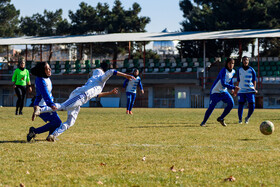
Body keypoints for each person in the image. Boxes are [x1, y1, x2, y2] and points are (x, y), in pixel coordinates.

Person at [32, 62, 135, 141]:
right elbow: (111, 72)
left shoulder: (95, 82)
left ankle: (53, 135)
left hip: (80, 96)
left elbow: (97, 94)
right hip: (80, 96)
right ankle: (40, 109)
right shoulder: (101, 78)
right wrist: (126, 76)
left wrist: (110, 92)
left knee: (70, 121)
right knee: (63, 107)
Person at [26, 62, 62, 142]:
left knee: (55, 121)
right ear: (43, 71)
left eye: (50, 68)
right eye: (47, 68)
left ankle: (50, 137)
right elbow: (45, 94)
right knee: (57, 122)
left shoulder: (46, 78)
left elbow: (48, 93)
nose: (50, 69)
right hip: (41, 106)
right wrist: (51, 104)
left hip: (47, 104)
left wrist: (51, 102)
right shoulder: (40, 80)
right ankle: (34, 131)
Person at [200, 58, 240, 127]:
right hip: (215, 91)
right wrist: (234, 87)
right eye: (230, 63)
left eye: (232, 63)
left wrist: (232, 89)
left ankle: (221, 118)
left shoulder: (233, 71)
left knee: (231, 104)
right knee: (211, 107)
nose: (231, 65)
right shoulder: (223, 71)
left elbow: (230, 80)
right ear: (227, 64)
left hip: (224, 91)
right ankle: (203, 122)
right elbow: (223, 83)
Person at [236, 56, 257, 124]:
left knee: (252, 105)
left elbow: (254, 81)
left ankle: (247, 117)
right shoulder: (239, 70)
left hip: (250, 90)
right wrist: (236, 90)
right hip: (241, 90)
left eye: (247, 60)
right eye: (244, 60)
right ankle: (240, 119)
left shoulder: (252, 70)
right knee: (241, 105)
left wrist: (254, 89)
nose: (245, 61)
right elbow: (238, 81)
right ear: (242, 61)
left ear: (248, 61)